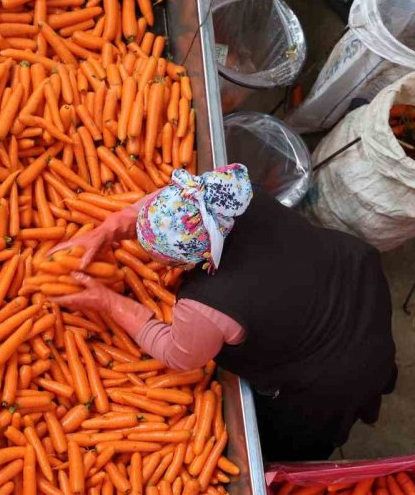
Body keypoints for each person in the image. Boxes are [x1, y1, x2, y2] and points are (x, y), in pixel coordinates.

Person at [53, 165, 397, 461]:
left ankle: (309, 444)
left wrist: (108, 302)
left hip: (330, 369)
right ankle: (377, 379)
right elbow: (174, 206)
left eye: (153, 253)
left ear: (187, 260)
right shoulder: (229, 199)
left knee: (300, 429)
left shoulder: (208, 305)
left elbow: (177, 354)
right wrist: (105, 232)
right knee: (370, 359)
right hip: (357, 277)